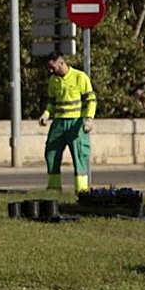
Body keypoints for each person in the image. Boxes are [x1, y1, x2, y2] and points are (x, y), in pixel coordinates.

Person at [38, 52, 97, 193]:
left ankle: (81, 190)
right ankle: (54, 188)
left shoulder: (80, 77)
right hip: (59, 123)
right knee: (51, 153)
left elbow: (91, 100)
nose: (51, 71)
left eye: (53, 67)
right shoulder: (53, 80)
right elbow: (51, 102)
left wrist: (89, 119)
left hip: (76, 123)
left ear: (61, 63)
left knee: (79, 155)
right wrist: (46, 114)